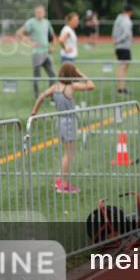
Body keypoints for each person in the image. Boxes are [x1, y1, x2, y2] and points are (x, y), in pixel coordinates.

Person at [30, 62, 95, 193]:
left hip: (60, 121)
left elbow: (41, 97)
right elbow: (91, 85)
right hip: (69, 122)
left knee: (67, 152)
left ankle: (59, 179)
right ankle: (63, 183)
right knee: (69, 154)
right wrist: (81, 73)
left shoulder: (55, 87)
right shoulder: (71, 86)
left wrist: (34, 112)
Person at [16, 5, 57, 97]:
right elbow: (19, 33)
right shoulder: (31, 22)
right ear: (35, 13)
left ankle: (52, 95)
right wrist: (29, 41)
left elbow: (53, 35)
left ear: (44, 12)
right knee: (37, 76)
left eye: (41, 12)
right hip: (37, 53)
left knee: (53, 74)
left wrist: (53, 46)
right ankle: (37, 96)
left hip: (47, 52)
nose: (40, 14)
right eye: (38, 12)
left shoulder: (47, 22)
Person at [113, 5, 134, 94]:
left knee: (122, 67)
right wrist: (119, 41)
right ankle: (121, 88)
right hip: (124, 46)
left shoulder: (118, 19)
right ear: (130, 12)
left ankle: (121, 87)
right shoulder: (126, 21)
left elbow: (114, 32)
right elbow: (126, 33)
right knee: (123, 67)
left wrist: (116, 41)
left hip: (119, 47)